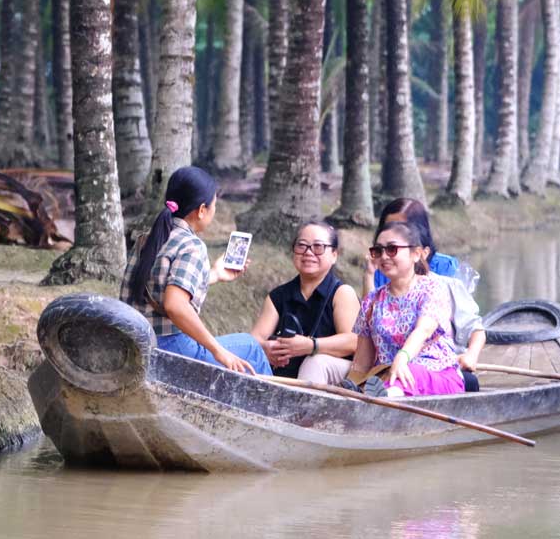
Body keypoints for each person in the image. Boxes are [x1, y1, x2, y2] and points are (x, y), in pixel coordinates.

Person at [121, 167, 272, 375]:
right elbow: (174, 305)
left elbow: (161, 285)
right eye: (214, 206)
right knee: (251, 347)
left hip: (134, 341)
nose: (214, 211)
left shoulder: (146, 239)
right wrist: (218, 351)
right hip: (168, 347)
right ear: (202, 210)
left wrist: (216, 274)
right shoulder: (192, 245)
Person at [364, 198, 487, 381]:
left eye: (402, 226)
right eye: (389, 226)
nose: (394, 232)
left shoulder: (443, 278)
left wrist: (470, 356)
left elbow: (472, 328)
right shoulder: (382, 273)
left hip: (437, 366)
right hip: (389, 366)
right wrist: (368, 275)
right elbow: (368, 325)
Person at [351, 221, 466, 397]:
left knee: (411, 372)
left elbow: (423, 330)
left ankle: (386, 399)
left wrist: (402, 357)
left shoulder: (433, 289)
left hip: (436, 377)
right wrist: (350, 386)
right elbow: (361, 364)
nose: (384, 256)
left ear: (416, 254)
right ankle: (382, 397)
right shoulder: (371, 301)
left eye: (392, 249)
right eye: (378, 251)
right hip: (386, 377)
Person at [249, 221, 358, 384]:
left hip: (331, 381)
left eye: (318, 247)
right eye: (302, 245)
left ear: (334, 254)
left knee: (314, 363)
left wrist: (311, 346)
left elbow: (353, 342)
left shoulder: (342, 293)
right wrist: (266, 348)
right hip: (283, 378)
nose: (308, 253)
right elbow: (254, 339)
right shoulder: (278, 296)